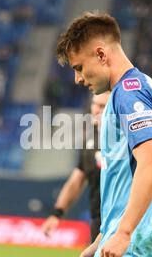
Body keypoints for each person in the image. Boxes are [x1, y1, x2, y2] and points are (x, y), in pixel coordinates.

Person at [56, 11, 152, 257]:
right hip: (144, 249)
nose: (78, 79)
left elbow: (151, 165)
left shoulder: (129, 93)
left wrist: (122, 234)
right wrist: (101, 239)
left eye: (78, 67)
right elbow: (126, 180)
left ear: (101, 55)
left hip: (133, 251)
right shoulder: (141, 88)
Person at [41, 92, 110, 242]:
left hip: (123, 225)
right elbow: (76, 181)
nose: (97, 110)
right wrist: (57, 213)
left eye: (103, 106)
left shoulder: (128, 141)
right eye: (95, 104)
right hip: (98, 222)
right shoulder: (90, 142)